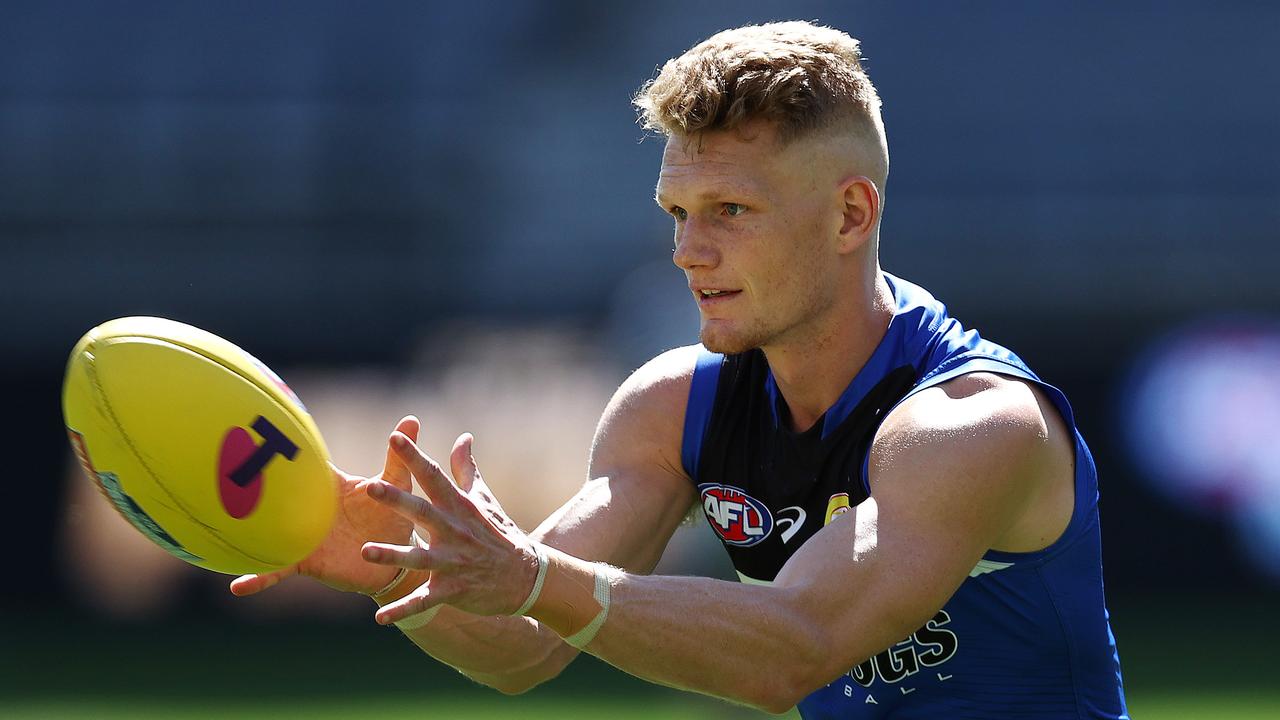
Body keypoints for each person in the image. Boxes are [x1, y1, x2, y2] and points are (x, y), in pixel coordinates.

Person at [231, 21, 1128, 718]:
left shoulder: (973, 425)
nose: (689, 253)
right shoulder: (673, 406)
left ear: (850, 215)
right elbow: (523, 647)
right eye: (677, 212)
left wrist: (535, 579)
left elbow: (794, 649)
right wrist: (395, 571)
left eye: (731, 210)